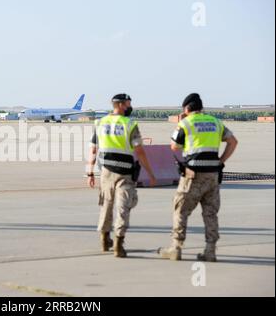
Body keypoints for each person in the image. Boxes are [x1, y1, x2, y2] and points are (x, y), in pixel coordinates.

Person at [158, 93, 238, 261]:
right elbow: (233, 142)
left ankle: (176, 248)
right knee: (210, 214)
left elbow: (174, 146)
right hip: (212, 176)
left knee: (180, 210)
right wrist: (220, 161)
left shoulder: (186, 123)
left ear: (187, 108)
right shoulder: (215, 122)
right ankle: (210, 251)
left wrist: (181, 124)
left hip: (192, 176)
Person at [87, 93, 157, 258]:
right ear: (119, 105)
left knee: (106, 204)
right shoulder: (129, 124)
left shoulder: (100, 123)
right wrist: (151, 173)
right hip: (124, 173)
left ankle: (104, 239)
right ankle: (119, 243)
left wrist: (89, 172)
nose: (129, 107)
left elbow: (93, 150)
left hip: (106, 172)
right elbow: (140, 151)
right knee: (123, 207)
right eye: (127, 104)